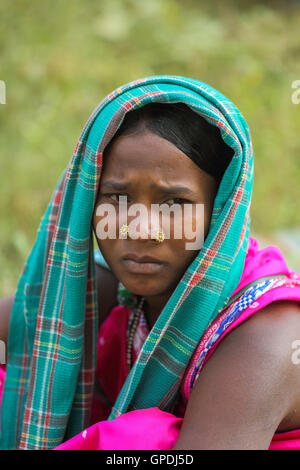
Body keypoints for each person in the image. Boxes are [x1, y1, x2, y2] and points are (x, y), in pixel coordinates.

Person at [0, 75, 300, 450]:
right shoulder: (105, 285)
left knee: (137, 440)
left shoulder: (268, 339)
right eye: (116, 197)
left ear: (221, 212)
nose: (141, 230)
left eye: (174, 204)